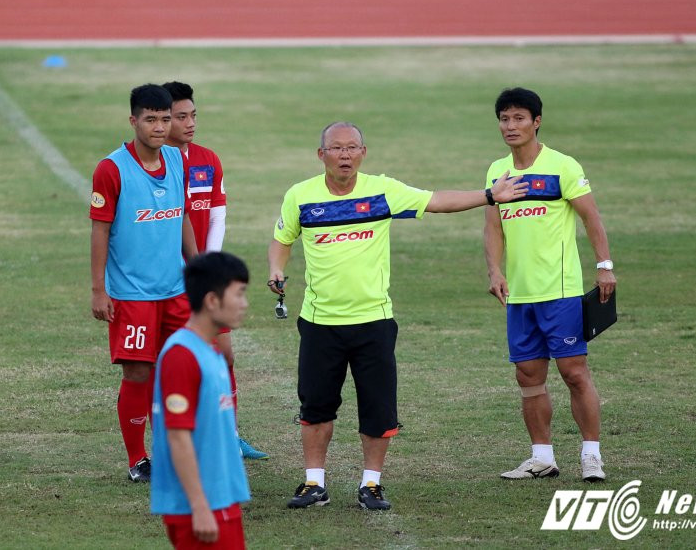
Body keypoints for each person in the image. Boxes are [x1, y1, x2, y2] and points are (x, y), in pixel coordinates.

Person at [268, 122, 528, 510]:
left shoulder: (382, 191)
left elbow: (436, 200)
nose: (344, 155)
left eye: (351, 147)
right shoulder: (300, 196)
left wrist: (490, 195)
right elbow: (282, 238)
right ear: (320, 154)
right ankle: (313, 483)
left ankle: (370, 484)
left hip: (374, 321)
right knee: (316, 406)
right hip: (320, 323)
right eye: (335, 148)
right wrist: (276, 268)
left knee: (377, 407)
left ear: (363, 152)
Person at [484, 87, 615, 482]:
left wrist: (604, 266)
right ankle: (542, 457)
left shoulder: (563, 166)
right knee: (527, 375)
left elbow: (592, 218)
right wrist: (495, 270)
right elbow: (493, 228)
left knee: (574, 372)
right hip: (520, 295)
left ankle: (591, 455)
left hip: (560, 292)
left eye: (519, 118)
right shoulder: (497, 172)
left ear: (536, 121)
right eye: (505, 119)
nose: (511, 126)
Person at [89, 84, 199, 482]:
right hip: (132, 295)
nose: (159, 127)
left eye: (165, 119)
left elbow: (184, 215)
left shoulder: (176, 159)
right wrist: (98, 290)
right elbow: (99, 231)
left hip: (175, 291)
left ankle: (177, 450)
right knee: (137, 373)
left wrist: (198, 269)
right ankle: (138, 458)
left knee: (180, 370)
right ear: (133, 120)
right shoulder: (112, 168)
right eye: (150, 119)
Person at [162, 80, 268, 461]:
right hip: (167, 280)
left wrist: (210, 266)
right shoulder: (157, 164)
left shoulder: (209, 159)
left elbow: (218, 214)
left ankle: (229, 434)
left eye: (193, 116)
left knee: (224, 354)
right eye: (180, 117)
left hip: (205, 277)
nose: (190, 124)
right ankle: (169, 443)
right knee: (172, 361)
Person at [152, 252, 251, 549]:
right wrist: (199, 506)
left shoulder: (211, 351)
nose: (245, 304)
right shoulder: (181, 355)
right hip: (199, 507)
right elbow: (178, 436)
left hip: (221, 499)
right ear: (212, 301)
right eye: (239, 294)